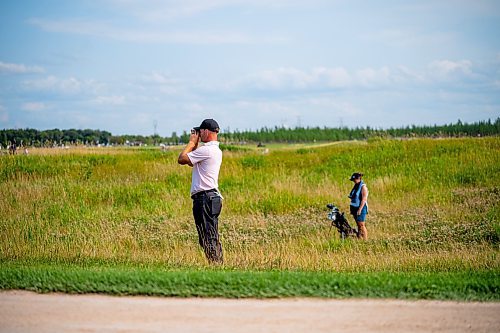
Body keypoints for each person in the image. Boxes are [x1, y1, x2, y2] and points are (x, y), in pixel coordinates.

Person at [178, 119, 224, 264]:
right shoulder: (214, 150)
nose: (198, 134)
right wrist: (196, 145)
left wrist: (192, 143)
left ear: (206, 131)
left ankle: (216, 265)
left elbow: (182, 159)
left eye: (200, 131)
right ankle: (217, 264)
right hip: (212, 197)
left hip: (205, 198)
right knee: (210, 234)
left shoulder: (207, 150)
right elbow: (191, 162)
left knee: (207, 236)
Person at [348, 172, 369, 240]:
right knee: (358, 225)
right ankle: (359, 238)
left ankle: (365, 240)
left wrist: (360, 209)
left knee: (362, 225)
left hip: (361, 208)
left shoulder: (363, 187)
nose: (354, 181)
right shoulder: (356, 186)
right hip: (355, 207)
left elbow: (364, 199)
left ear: (358, 179)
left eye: (354, 180)